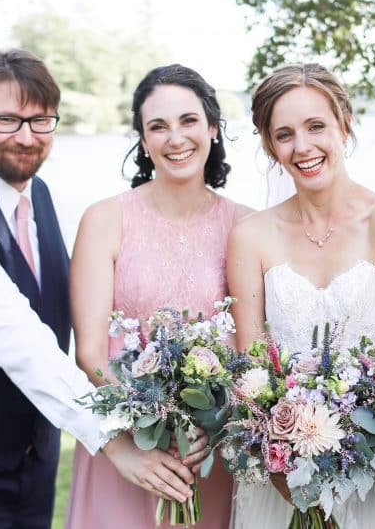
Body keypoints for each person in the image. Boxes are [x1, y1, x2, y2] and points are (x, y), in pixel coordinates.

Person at [0, 50, 198, 528]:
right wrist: (116, 442)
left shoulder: (39, 196)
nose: (27, 137)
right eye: (7, 119)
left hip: (31, 466)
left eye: (41, 120)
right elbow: (25, 345)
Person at [227, 63, 375, 529]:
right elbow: (250, 367)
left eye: (316, 126)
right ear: (269, 145)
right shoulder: (251, 236)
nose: (303, 147)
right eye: (284, 134)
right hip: (279, 474)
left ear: (344, 123)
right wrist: (282, 459)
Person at [65, 64, 251, 528]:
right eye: (158, 127)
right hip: (126, 447)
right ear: (143, 141)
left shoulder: (246, 226)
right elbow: (88, 352)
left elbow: (252, 349)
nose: (175, 138)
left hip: (210, 450)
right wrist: (153, 419)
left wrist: (214, 418)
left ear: (212, 127)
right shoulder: (104, 220)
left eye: (189, 121)